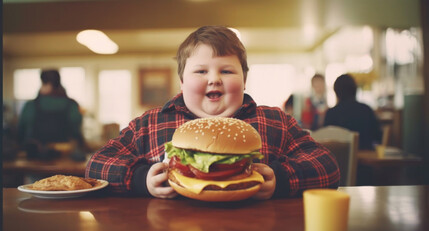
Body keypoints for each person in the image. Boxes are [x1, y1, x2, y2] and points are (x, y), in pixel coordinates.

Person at [86, 26, 340, 199]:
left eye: (227, 71)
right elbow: (96, 165)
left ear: (244, 80)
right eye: (201, 71)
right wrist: (141, 180)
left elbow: (327, 166)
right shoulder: (150, 124)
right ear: (182, 82)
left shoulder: (274, 121)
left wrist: (281, 179)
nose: (214, 80)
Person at [18, 69, 84, 159]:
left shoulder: (31, 105)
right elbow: (76, 131)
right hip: (64, 157)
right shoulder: (71, 104)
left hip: (36, 158)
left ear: (48, 85)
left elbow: (21, 132)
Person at [324, 74, 382, 150]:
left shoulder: (331, 113)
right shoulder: (366, 109)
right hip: (366, 158)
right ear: (355, 90)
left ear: (336, 92)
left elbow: (325, 140)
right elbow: (378, 137)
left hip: (340, 159)